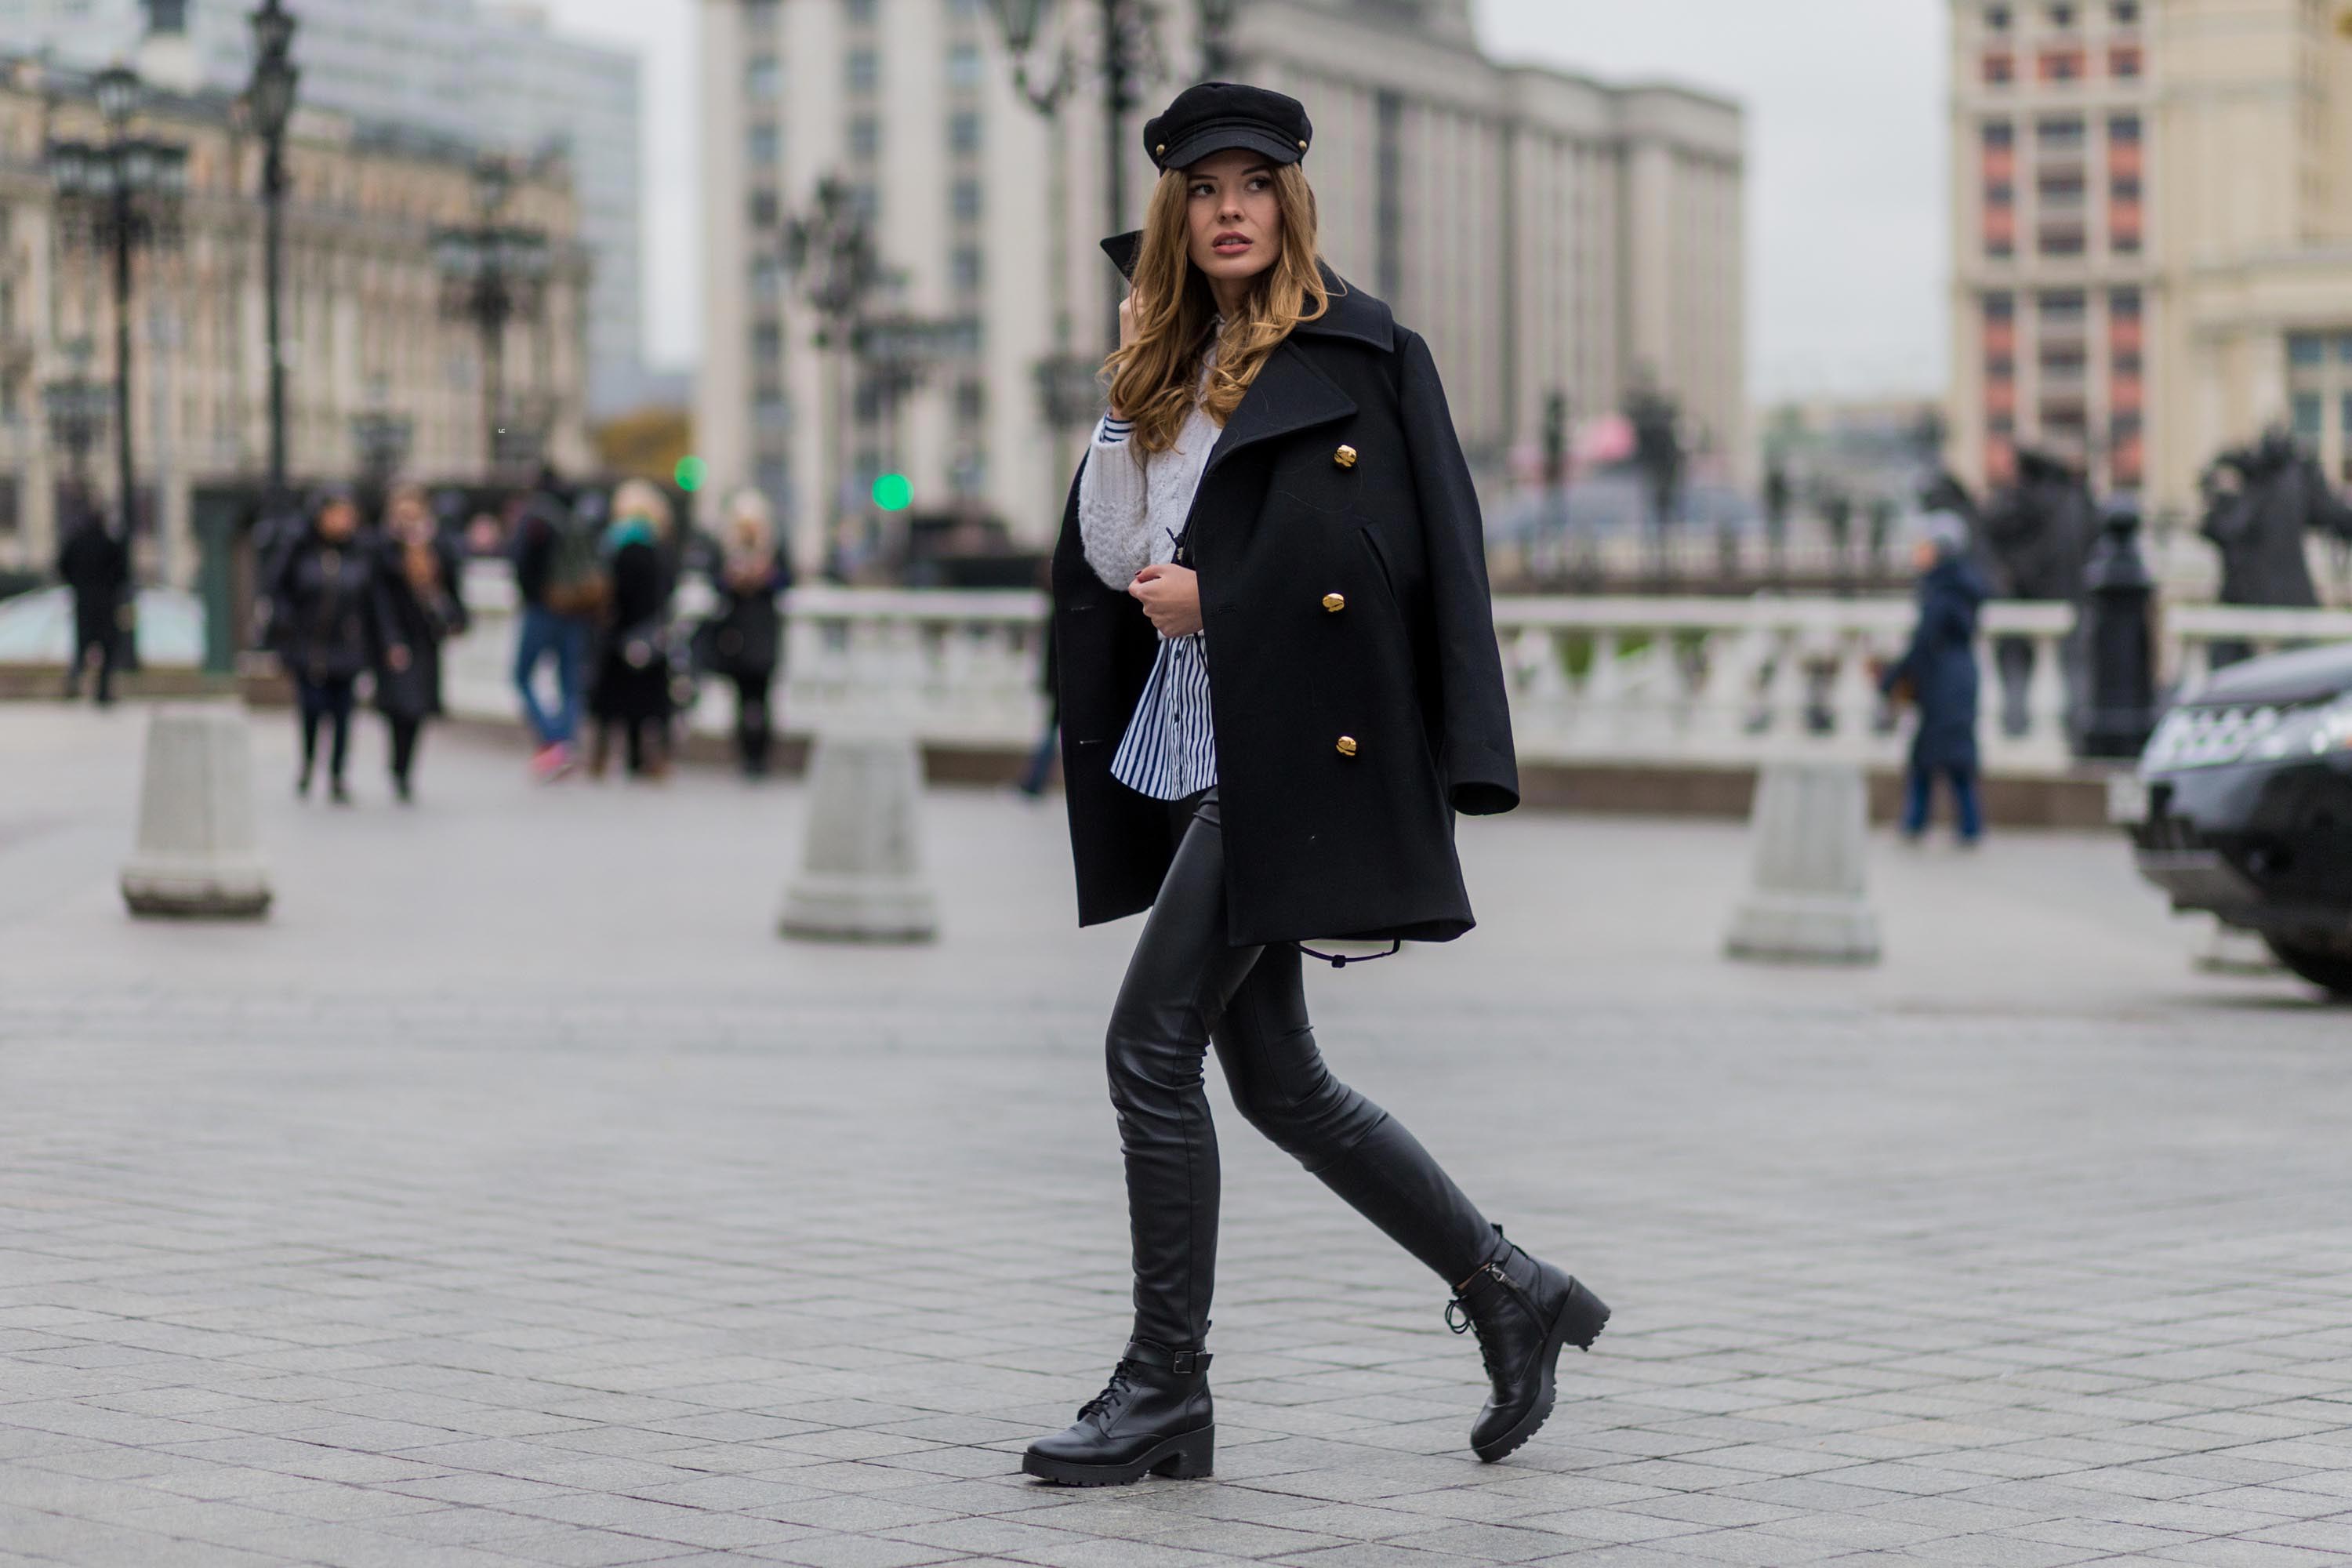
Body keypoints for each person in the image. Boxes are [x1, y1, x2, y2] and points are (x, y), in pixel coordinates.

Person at [1023, 82, 1609, 1490]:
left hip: (1299, 744)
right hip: (1199, 744)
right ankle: (1510, 1286)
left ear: (1292, 201)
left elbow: (1407, 558)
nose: (1230, 208)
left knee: (1146, 1052)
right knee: (1277, 1077)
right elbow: (1111, 562)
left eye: (1255, 183)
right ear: (1176, 211)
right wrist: (1122, 404)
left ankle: (1166, 1386)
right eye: (1205, 188)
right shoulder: (1162, 363)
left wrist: (1229, 599)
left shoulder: (1362, 352)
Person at [266, 488, 382, 804]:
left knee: (344, 713)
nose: (343, 522)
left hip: (347, 645)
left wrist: (378, 645)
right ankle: (307, 766)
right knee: (312, 709)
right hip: (309, 646)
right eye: (336, 514)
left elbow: (373, 602)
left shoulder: (360, 553)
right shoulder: (300, 549)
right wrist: (285, 628)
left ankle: (337, 775)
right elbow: (279, 591)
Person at [1882, 510, 1991, 844]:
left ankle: (1921, 823)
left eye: (1924, 545)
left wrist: (1892, 679)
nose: (1918, 551)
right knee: (1953, 757)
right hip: (1958, 678)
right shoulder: (1958, 587)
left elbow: (1923, 642)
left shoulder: (1941, 591)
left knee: (1929, 758)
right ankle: (1963, 825)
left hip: (1944, 682)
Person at [372, 485, 470, 803]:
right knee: (397, 706)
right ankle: (397, 767)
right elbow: (379, 599)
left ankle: (404, 770)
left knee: (416, 709)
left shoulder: (439, 546)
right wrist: (389, 641)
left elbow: (454, 588)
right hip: (397, 638)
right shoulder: (383, 549)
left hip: (426, 637)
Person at [510, 468, 604, 781]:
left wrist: (531, 595)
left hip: (543, 607)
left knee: (521, 676)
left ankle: (554, 740)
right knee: (569, 683)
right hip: (576, 608)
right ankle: (568, 745)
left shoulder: (536, 516)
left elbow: (522, 563)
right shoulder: (577, 512)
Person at [700, 489, 792, 777]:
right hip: (736, 632)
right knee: (741, 699)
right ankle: (745, 755)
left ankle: (761, 756)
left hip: (763, 631)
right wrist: (732, 578)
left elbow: (786, 582)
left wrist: (766, 576)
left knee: (763, 698)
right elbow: (714, 583)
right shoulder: (725, 549)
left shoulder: (775, 548)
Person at [588, 480, 675, 779]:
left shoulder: (617, 545)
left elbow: (615, 591)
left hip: (619, 632)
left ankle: (600, 759)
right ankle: (643, 761)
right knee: (646, 704)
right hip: (649, 633)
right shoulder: (659, 546)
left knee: (610, 703)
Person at [56, 509, 130, 706]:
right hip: (106, 602)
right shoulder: (110, 544)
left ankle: (73, 683)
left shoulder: (77, 544)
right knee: (108, 646)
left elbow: (62, 566)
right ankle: (103, 690)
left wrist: (77, 585)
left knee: (81, 644)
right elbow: (123, 572)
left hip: (84, 600)